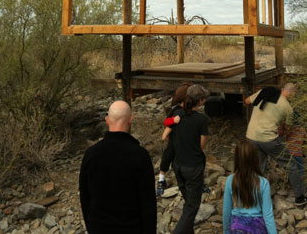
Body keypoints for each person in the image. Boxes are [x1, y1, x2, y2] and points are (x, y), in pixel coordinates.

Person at [79, 100, 157, 234]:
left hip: (99, 228)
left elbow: (85, 199)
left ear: (107, 120)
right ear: (130, 120)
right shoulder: (140, 156)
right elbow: (148, 204)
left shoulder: (90, 155)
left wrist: (91, 227)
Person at [244, 83, 307, 206]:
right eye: (294, 95)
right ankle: (300, 197)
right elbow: (287, 128)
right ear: (291, 93)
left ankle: (254, 198)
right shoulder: (287, 107)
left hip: (251, 136)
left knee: (259, 167)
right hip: (269, 139)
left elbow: (247, 101)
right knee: (291, 164)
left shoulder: (264, 93)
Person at [165, 84, 210, 234]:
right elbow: (202, 146)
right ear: (201, 101)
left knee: (188, 202)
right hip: (193, 167)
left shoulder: (177, 114)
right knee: (192, 206)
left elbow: (165, 133)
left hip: (178, 165)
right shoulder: (202, 120)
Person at [222, 140, 277, 234]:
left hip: (236, 227)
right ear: (255, 159)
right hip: (257, 227)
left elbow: (226, 211)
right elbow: (268, 215)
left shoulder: (230, 181)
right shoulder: (263, 183)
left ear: (237, 159)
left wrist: (226, 231)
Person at [157, 82, 193, 196]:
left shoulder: (191, 110)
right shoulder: (176, 110)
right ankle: (161, 179)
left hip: (185, 141)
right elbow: (166, 122)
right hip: (174, 139)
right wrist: (174, 121)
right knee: (168, 156)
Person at [279, 111, 307, 177]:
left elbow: (280, 134)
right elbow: (306, 140)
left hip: (289, 153)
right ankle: (300, 182)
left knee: (290, 169)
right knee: (301, 170)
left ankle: (290, 180)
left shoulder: (289, 129)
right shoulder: (302, 129)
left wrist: (283, 125)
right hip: (298, 153)